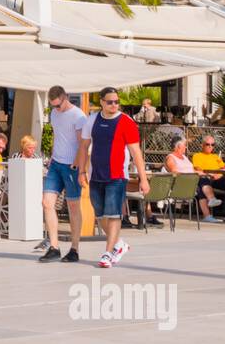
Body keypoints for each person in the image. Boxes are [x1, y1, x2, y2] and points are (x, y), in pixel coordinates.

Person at [78, 87, 149, 268]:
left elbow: (136, 152)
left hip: (117, 176)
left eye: (117, 102)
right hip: (96, 175)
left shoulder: (126, 122)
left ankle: (108, 253)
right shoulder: (92, 120)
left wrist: (143, 178)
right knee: (100, 213)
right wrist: (81, 171)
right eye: (110, 102)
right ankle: (119, 245)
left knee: (113, 214)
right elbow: (84, 147)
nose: (114, 105)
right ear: (101, 102)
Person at [38, 85, 88, 262]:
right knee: (46, 202)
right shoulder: (54, 114)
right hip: (56, 163)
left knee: (73, 206)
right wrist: (52, 155)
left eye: (59, 105)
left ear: (66, 97)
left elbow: (83, 143)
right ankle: (54, 246)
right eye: (53, 106)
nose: (56, 109)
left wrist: (79, 165)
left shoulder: (78, 116)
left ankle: (74, 249)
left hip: (71, 166)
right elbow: (58, 136)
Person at [165, 137, 223, 222]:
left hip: (192, 182)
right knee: (202, 181)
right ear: (178, 146)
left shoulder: (184, 157)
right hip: (181, 184)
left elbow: (192, 169)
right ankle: (211, 200)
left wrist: (203, 173)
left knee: (202, 182)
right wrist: (193, 175)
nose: (186, 147)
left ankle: (207, 215)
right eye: (184, 145)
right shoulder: (170, 158)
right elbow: (175, 173)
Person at [192, 135, 225, 216]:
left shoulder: (216, 157)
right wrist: (211, 174)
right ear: (202, 145)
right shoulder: (197, 156)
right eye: (208, 144)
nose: (210, 146)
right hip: (208, 180)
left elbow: (224, 167)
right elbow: (198, 169)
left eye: (212, 144)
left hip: (220, 179)